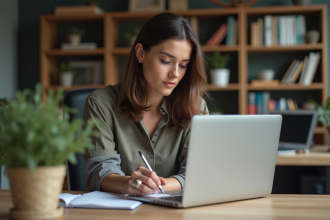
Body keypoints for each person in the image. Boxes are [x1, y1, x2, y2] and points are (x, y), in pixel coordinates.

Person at [82, 12, 209, 196]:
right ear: (141, 53)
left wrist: (153, 188)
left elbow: (197, 172)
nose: (175, 73)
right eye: (166, 61)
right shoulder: (100, 104)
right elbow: (99, 171)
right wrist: (128, 184)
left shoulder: (196, 107)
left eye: (183, 65)